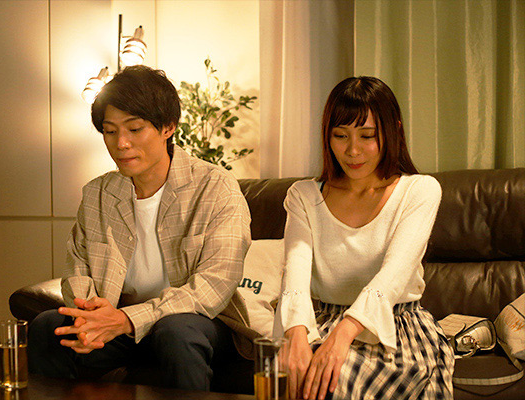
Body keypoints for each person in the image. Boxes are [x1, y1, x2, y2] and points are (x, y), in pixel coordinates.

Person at [28, 65, 252, 391]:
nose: (121, 143)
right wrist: (90, 314)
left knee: (177, 332)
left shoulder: (215, 187)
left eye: (135, 129)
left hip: (197, 322)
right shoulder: (98, 194)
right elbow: (78, 270)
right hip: (119, 324)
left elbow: (214, 285)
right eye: (110, 131)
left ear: (168, 127)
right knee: (47, 327)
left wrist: (127, 319)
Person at [274, 76, 454, 399]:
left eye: (367, 136)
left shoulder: (419, 191)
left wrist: (343, 335)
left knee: (331, 384)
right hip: (320, 322)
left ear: (393, 131)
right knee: (290, 381)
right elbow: (295, 273)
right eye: (340, 135)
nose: (352, 150)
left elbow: (393, 276)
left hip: (397, 330)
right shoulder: (303, 196)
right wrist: (295, 334)